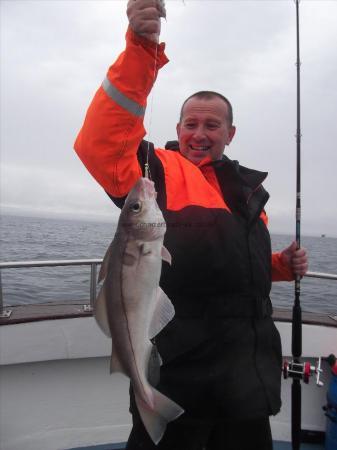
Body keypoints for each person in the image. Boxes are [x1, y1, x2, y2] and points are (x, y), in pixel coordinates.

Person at [74, 1, 308, 449]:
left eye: (212, 125)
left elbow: (235, 263)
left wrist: (279, 265)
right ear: (178, 128)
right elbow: (99, 144)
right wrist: (142, 48)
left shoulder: (248, 191)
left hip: (248, 375)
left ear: (230, 133)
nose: (199, 134)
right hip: (180, 368)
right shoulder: (154, 172)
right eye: (191, 124)